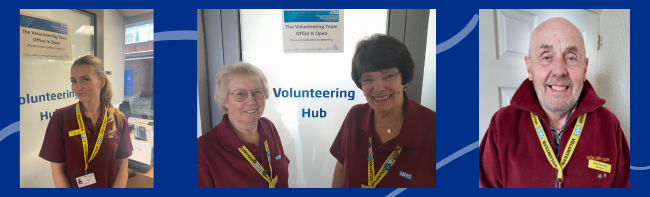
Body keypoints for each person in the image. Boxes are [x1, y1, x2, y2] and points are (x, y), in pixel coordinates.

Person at [479, 18, 630, 188]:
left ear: (585, 68)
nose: (559, 70)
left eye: (571, 58)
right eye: (547, 57)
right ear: (529, 68)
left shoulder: (610, 126)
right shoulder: (501, 125)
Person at [330, 34, 436, 188]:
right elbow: (341, 168)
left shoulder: (435, 127)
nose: (378, 88)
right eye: (368, 79)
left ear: (404, 79)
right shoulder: (355, 116)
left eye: (388, 76)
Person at [39, 55, 133, 188]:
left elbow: (122, 168)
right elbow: (57, 171)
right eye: (73, 81)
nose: (77, 87)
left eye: (85, 79)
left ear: (102, 82)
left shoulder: (118, 119)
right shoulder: (61, 118)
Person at [197, 62, 290, 188]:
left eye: (257, 92)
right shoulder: (201, 151)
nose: (251, 101)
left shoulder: (268, 127)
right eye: (240, 94)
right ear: (224, 100)